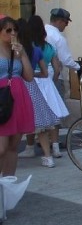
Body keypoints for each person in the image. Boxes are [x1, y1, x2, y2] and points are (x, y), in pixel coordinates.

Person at [19, 15, 67, 160]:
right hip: (47, 83)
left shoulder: (28, 47)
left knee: (34, 116)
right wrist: (54, 80)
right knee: (53, 116)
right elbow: (57, 68)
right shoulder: (48, 47)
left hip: (31, 81)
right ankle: (55, 147)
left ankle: (30, 146)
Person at [0, 17, 35, 177]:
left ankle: (7, 185)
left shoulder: (18, 50)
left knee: (13, 146)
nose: (13, 33)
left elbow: (29, 77)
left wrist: (22, 55)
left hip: (19, 98)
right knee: (1, 148)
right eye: (8, 30)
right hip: (2, 99)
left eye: (15, 29)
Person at [44, 7, 79, 158]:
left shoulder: (42, 31)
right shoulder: (58, 37)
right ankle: (55, 144)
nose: (67, 25)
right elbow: (65, 59)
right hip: (54, 76)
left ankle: (38, 143)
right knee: (56, 110)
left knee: (42, 110)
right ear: (58, 21)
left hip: (38, 77)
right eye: (65, 22)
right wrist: (78, 67)